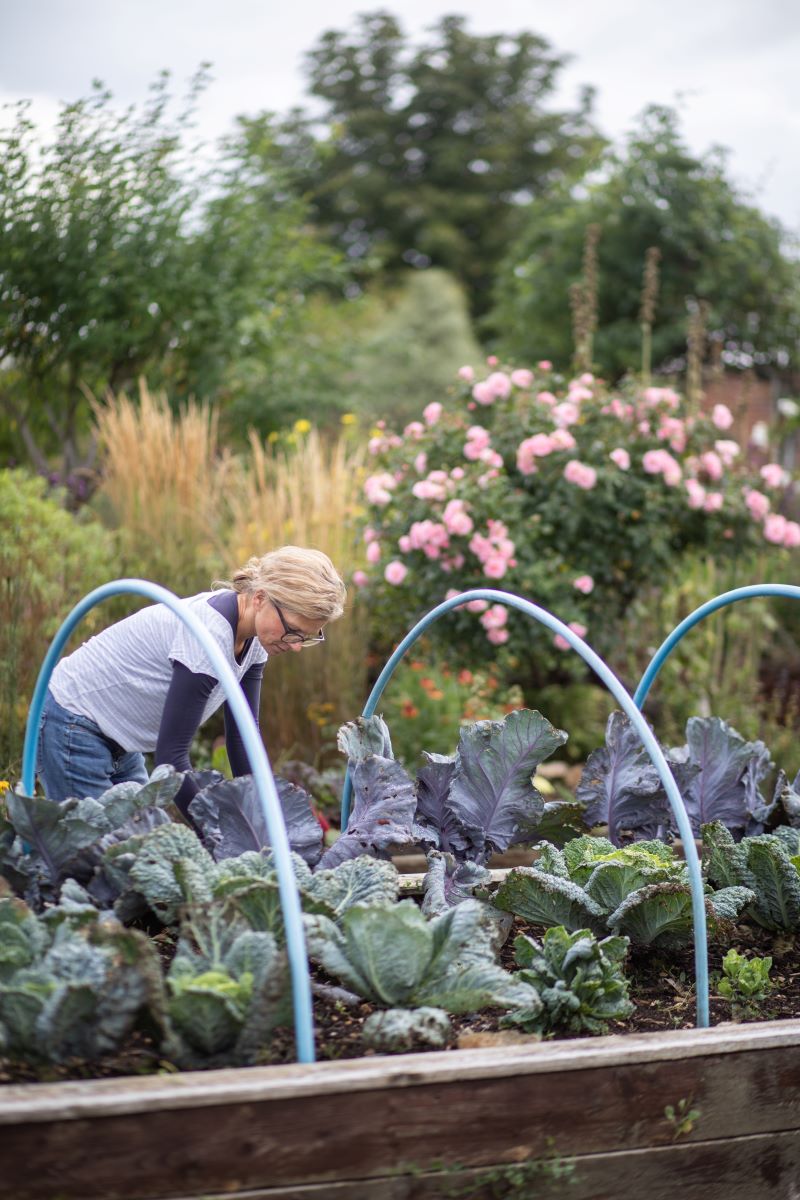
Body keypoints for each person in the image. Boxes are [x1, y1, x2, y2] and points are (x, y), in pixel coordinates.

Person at [36, 546, 346, 815]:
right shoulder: (207, 637)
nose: (294, 646)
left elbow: (242, 740)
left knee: (136, 852)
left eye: (305, 638)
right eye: (292, 630)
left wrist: (266, 819)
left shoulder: (256, 642)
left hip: (120, 741)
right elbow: (171, 757)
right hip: (74, 722)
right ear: (260, 598)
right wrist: (217, 834)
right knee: (97, 859)